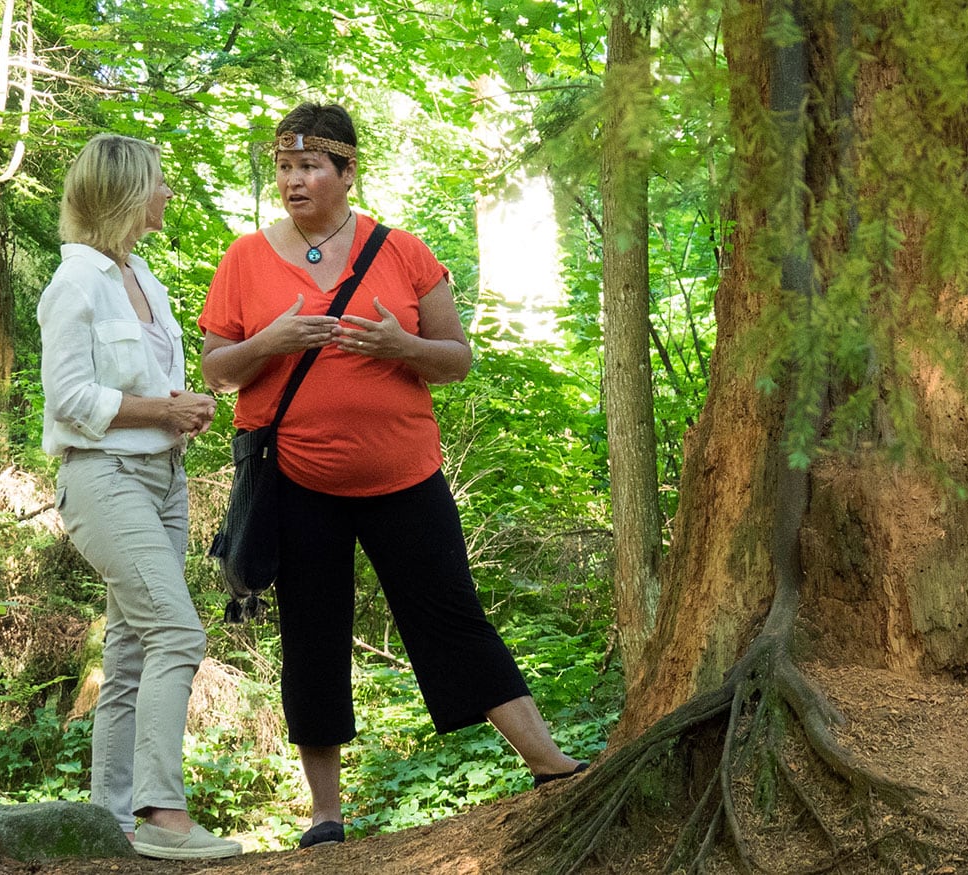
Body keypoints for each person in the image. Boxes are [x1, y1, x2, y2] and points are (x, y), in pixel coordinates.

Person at [199, 103, 586, 850]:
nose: (293, 180)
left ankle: (549, 762)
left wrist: (400, 344)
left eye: (310, 166)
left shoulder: (401, 251)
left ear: (347, 171)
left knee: (450, 612)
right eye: (283, 167)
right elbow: (216, 370)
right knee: (313, 631)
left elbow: (458, 358)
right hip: (296, 480)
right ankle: (324, 816)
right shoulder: (244, 259)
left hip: (405, 475)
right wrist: (271, 340)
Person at [39, 134, 241, 861]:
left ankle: (112, 822)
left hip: (164, 479)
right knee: (177, 633)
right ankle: (164, 814)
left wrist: (180, 406)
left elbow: (149, 388)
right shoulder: (76, 283)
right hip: (102, 476)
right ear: (126, 193)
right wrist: (160, 411)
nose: (166, 195)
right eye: (157, 183)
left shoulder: (143, 278)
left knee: (130, 649)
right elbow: (67, 398)